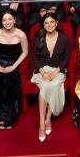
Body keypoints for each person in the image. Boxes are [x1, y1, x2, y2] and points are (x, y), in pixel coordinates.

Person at [30, 14, 70, 142]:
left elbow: (66, 58)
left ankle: (48, 119)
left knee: (52, 85)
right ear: (43, 25)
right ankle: (42, 123)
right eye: (46, 23)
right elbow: (34, 58)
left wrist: (57, 71)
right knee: (46, 85)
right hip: (42, 70)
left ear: (56, 23)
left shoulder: (64, 38)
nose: (49, 25)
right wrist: (43, 72)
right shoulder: (38, 38)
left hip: (58, 70)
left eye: (52, 22)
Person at [0, 9, 28, 131]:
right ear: (1, 22)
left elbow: (25, 52)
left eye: (10, 19)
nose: (7, 22)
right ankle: (2, 116)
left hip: (13, 64)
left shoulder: (21, 34)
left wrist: (14, 66)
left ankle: (10, 117)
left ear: (15, 20)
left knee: (10, 81)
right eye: (4, 20)